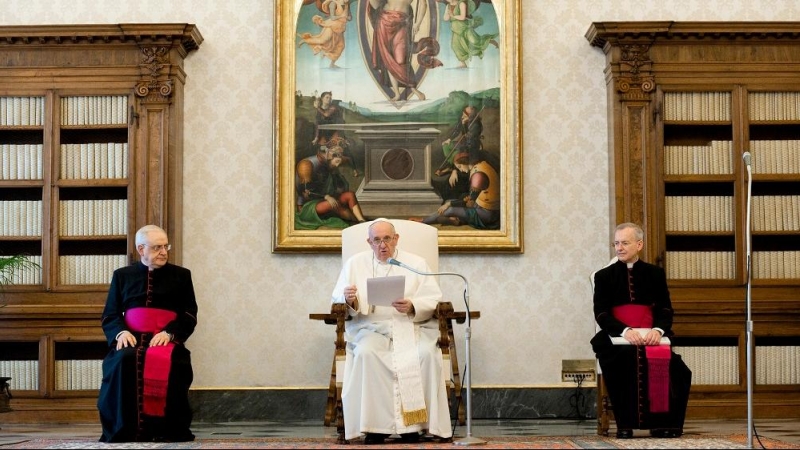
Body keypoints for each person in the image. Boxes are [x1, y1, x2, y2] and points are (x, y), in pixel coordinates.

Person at [330, 219, 452, 444]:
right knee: (367, 353)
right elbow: (337, 299)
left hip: (411, 326)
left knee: (424, 354)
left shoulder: (415, 263)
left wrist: (413, 305)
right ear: (369, 242)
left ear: (396, 239)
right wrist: (349, 299)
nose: (382, 244)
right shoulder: (354, 264)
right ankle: (374, 427)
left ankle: (413, 427)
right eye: (376, 240)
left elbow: (433, 298)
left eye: (387, 238)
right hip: (370, 328)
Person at [97, 225, 198, 442]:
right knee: (124, 359)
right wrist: (120, 333)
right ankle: (124, 430)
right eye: (157, 247)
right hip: (130, 338)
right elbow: (110, 314)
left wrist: (170, 333)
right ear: (141, 249)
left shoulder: (181, 275)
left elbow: (189, 314)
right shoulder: (122, 276)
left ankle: (166, 430)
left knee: (173, 361)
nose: (164, 252)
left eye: (165, 246)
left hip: (164, 339)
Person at [590, 223, 692, 439]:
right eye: (616, 243)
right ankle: (625, 424)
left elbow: (665, 308)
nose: (619, 247)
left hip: (651, 336)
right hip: (616, 337)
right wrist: (625, 331)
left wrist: (658, 330)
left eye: (624, 243)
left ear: (639, 244)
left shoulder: (655, 274)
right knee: (624, 361)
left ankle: (663, 424)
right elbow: (601, 314)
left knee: (678, 370)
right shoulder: (603, 276)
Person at [367, 0, 436, 101]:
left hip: (402, 21)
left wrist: (418, 23)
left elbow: (423, 4)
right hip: (384, 19)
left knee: (401, 60)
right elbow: (376, 3)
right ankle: (397, 94)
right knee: (388, 58)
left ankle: (414, 90)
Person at [295, 139, 366, 229]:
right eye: (336, 162)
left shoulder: (330, 166)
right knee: (334, 204)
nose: (337, 166)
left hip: (325, 199)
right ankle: (355, 223)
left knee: (350, 195)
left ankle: (361, 220)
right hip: (308, 206)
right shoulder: (307, 165)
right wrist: (326, 197)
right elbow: (306, 193)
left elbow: (340, 186)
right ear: (330, 156)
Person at [417, 151, 500, 229]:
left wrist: (449, 204)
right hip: (485, 207)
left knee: (450, 209)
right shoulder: (480, 165)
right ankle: (456, 219)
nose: (460, 170)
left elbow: (469, 202)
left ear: (465, 162)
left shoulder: (477, 176)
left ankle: (423, 221)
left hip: (488, 214)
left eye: (460, 166)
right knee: (450, 203)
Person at [442, 0, 498, 69]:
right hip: (456, 29)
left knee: (475, 41)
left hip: (465, 28)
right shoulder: (448, 6)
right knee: (455, 46)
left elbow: (462, 17)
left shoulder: (462, 3)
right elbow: (445, 18)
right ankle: (463, 63)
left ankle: (489, 40)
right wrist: (448, 15)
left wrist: (452, 16)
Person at [297, 0, 352, 69]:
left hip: (340, 28)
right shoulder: (333, 3)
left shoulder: (347, 5)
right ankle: (304, 40)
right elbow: (332, 17)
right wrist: (342, 16)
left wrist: (348, 17)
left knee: (341, 46)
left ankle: (332, 64)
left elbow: (349, 17)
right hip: (332, 26)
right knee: (322, 40)